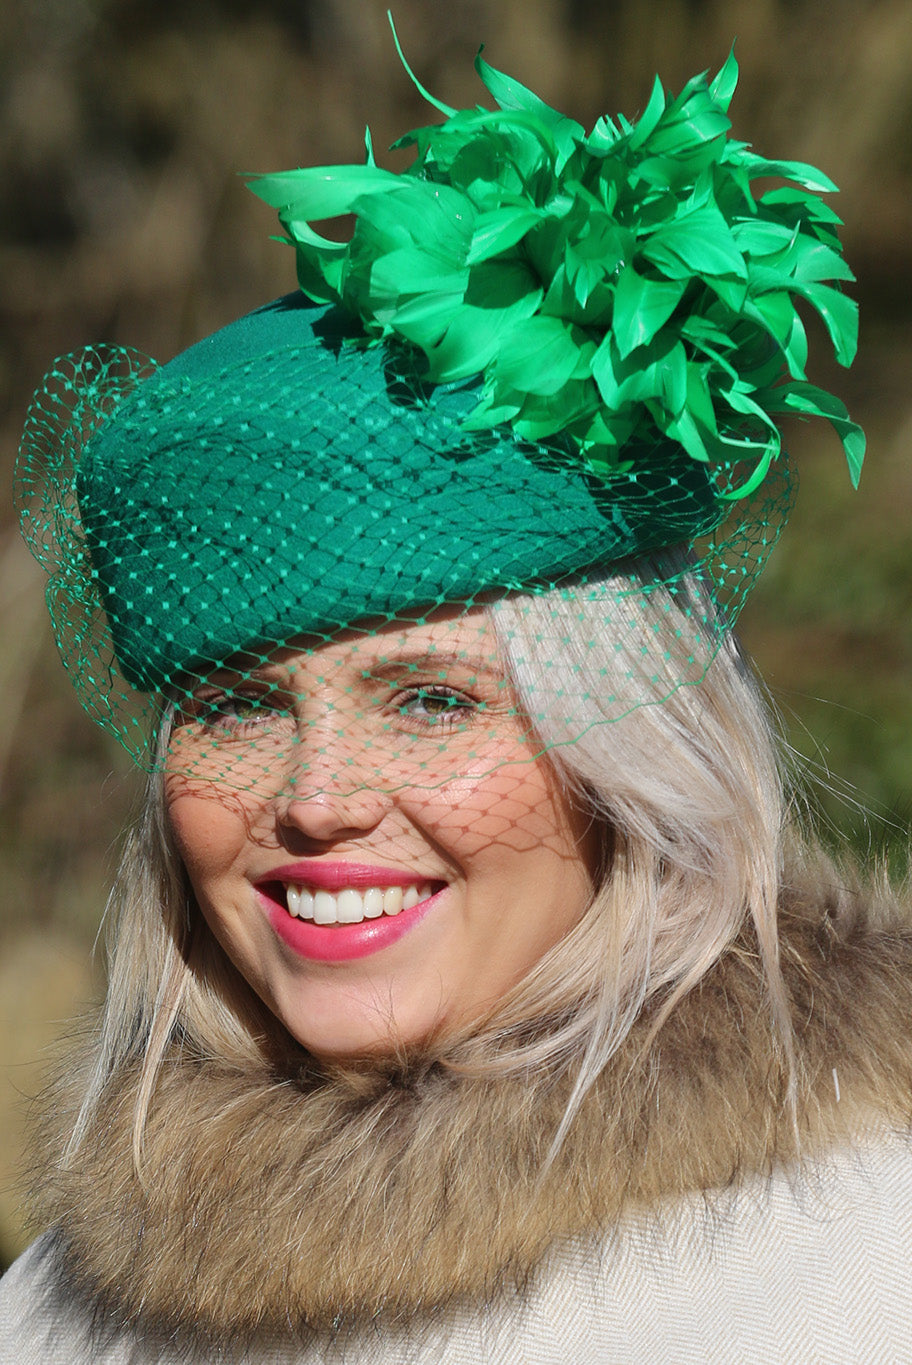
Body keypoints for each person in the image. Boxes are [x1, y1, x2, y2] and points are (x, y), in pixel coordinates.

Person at [2, 38, 909, 1365]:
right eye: (240, 708)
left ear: (631, 754)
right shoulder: (52, 1306)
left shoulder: (856, 1267)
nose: (317, 800)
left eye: (431, 699)